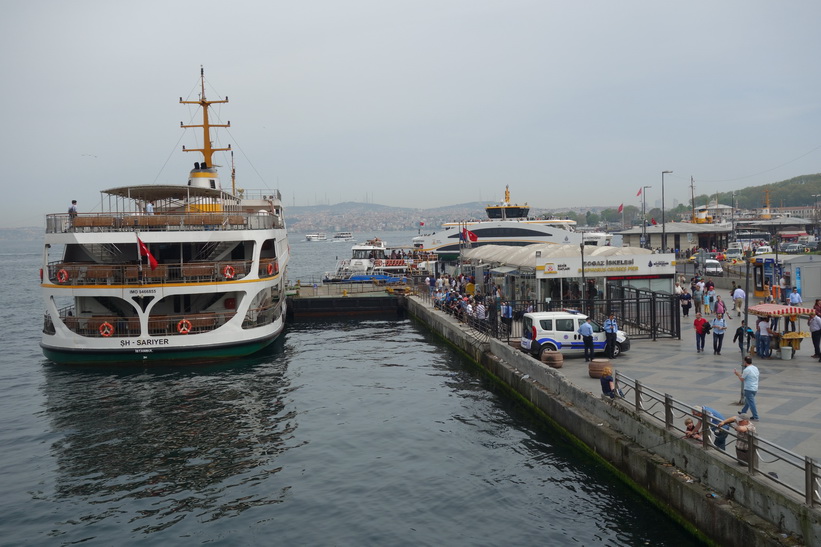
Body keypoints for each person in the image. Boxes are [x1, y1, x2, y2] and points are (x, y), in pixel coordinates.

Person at [735, 356, 760, 420]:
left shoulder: (746, 370)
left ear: (745, 362)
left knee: (751, 403)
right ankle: (743, 411)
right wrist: (740, 374)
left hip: (749, 388)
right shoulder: (755, 368)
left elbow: (742, 379)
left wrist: (737, 374)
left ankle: (756, 416)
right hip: (755, 388)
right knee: (748, 401)